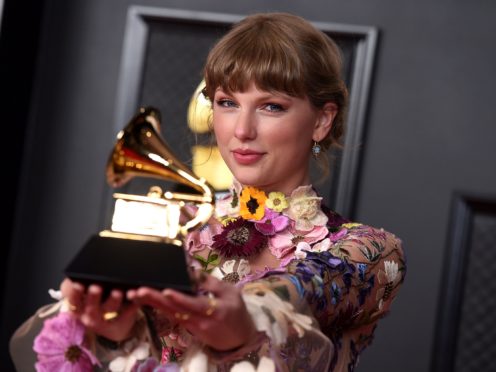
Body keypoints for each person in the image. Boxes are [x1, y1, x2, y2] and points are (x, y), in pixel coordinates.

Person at [10, 12, 406, 372]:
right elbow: (46, 352)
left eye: (271, 106)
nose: (242, 130)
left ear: (322, 120)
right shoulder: (170, 231)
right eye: (227, 102)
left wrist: (245, 316)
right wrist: (109, 331)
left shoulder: (369, 250)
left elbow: (306, 290)